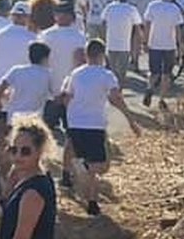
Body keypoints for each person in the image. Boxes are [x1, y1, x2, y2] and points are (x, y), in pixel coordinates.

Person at [60, 39, 140, 215]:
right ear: (102, 55)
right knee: (100, 166)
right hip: (95, 124)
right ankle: (92, 201)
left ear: (86, 54)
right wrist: (131, 120)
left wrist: (71, 114)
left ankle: (74, 174)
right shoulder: (107, 75)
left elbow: (66, 97)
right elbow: (115, 98)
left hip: (76, 123)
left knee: (75, 150)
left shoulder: (75, 73)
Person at [40, 0, 86, 132]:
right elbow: (82, 63)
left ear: (55, 16)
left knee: (47, 132)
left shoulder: (45, 36)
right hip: (70, 92)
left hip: (50, 91)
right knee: (71, 131)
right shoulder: (80, 37)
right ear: (72, 17)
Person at [142, 0, 184, 109]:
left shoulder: (152, 6)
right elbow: (177, 28)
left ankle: (149, 88)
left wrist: (145, 41)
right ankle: (162, 98)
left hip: (154, 43)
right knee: (167, 73)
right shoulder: (175, 9)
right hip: (169, 45)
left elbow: (147, 24)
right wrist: (180, 43)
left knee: (154, 72)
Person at [101, 0, 141, 87]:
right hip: (125, 45)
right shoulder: (132, 9)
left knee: (112, 70)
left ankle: (112, 89)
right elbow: (137, 27)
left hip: (111, 43)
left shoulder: (109, 7)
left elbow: (103, 22)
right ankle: (118, 90)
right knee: (122, 72)